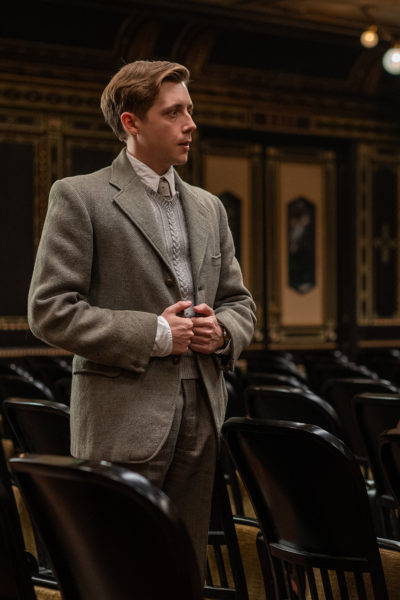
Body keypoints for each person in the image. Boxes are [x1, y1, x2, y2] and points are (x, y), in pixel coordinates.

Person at [27, 60, 256, 580]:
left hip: (203, 413)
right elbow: (49, 310)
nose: (190, 124)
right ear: (131, 123)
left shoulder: (210, 208)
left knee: (182, 568)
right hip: (122, 417)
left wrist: (223, 331)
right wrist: (155, 333)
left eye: (189, 110)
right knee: (119, 569)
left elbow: (240, 303)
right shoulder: (80, 196)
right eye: (173, 113)